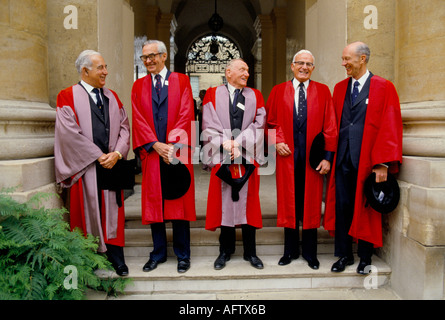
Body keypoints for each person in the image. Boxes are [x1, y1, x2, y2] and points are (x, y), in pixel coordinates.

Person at [324, 42, 403, 274]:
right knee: (343, 207)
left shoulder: (384, 87)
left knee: (367, 208)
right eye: (343, 58)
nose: (344, 63)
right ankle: (344, 255)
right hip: (342, 160)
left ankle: (365, 257)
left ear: (363, 59)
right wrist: (328, 156)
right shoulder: (339, 89)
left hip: (369, 162)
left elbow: (391, 125)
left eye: (347, 59)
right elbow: (332, 126)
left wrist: (383, 163)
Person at [54, 50, 131, 276]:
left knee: (113, 210)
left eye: (106, 67)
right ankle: (89, 259)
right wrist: (98, 155)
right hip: (86, 166)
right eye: (101, 68)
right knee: (86, 213)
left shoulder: (113, 97)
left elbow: (125, 127)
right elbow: (69, 134)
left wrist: (117, 153)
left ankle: (117, 256)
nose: (105, 72)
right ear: (85, 71)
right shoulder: (67, 96)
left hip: (112, 164)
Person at [266, 50, 337, 269]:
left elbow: (330, 126)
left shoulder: (323, 91)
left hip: (312, 157)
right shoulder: (278, 91)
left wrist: (327, 157)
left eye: (309, 64)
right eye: (300, 63)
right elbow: (270, 122)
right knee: (290, 201)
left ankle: (310, 253)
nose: (304, 67)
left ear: (313, 68)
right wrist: (277, 142)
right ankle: (289, 251)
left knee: (311, 202)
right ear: (292, 65)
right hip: (287, 156)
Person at [131, 40, 196, 274]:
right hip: (152, 153)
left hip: (176, 152)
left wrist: (172, 146)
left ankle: (183, 255)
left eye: (153, 56)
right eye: (144, 57)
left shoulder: (182, 81)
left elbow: (186, 112)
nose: (148, 61)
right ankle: (157, 253)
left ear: (164, 56)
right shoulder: (138, 86)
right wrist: (155, 145)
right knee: (155, 204)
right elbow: (138, 119)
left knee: (179, 203)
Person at [201, 58, 266, 270]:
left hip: (246, 156)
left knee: (249, 206)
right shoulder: (212, 93)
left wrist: (238, 142)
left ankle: (251, 252)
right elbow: (208, 124)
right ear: (228, 72)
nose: (246, 73)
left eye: (247, 70)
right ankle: (224, 251)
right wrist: (225, 144)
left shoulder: (255, 95)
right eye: (242, 69)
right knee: (224, 205)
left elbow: (260, 122)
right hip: (222, 156)